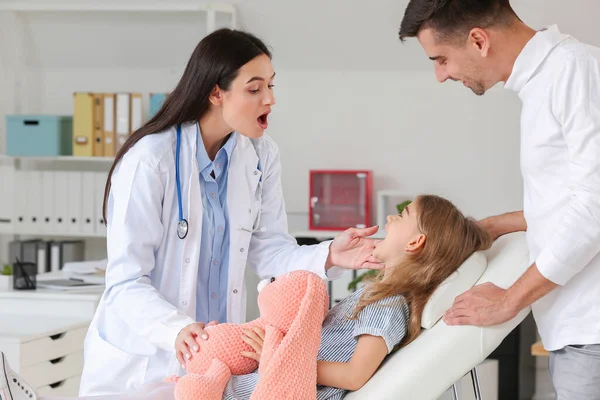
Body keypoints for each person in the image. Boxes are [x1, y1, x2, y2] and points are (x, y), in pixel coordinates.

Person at [79, 28, 384, 396]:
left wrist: (330, 254)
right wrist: (174, 328)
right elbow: (125, 281)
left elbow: (271, 251)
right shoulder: (151, 160)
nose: (270, 99)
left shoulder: (260, 156)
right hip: (143, 363)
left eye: (272, 86)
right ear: (215, 92)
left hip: (215, 362)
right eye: (255, 89)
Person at [398, 1, 600, 398]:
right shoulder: (544, 83)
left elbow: (595, 206)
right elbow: (570, 199)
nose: (440, 75)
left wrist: (509, 300)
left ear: (478, 39)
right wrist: (494, 226)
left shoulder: (573, 70)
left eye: (441, 59)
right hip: (577, 330)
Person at [226, 195, 492, 400]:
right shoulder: (379, 294)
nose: (390, 219)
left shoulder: (388, 302)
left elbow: (354, 376)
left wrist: (278, 356)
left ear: (414, 243)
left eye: (402, 215)